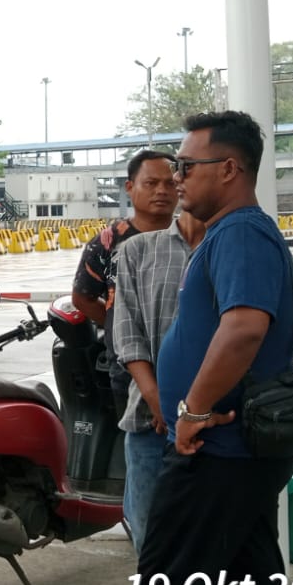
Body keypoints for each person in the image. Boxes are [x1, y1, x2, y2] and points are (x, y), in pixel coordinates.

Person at [117, 111, 293, 585]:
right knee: (256, 584)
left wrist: (193, 409)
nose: (177, 179)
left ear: (228, 169)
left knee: (165, 582)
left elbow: (245, 327)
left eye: (187, 167)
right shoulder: (233, 234)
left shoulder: (241, 233)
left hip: (218, 449)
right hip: (240, 448)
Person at [111, 206, 231, 585]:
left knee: (207, 544)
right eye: (169, 176)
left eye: (180, 174)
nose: (174, 186)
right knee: (150, 541)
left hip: (210, 426)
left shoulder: (230, 247)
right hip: (149, 422)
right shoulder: (139, 250)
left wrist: (193, 408)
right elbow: (127, 333)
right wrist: (157, 398)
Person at [71, 151, 178, 416]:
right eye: (151, 183)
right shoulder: (108, 242)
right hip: (126, 366)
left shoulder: (193, 236)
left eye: (170, 183)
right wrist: (117, 325)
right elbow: (83, 298)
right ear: (129, 187)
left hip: (183, 359)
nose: (162, 191)